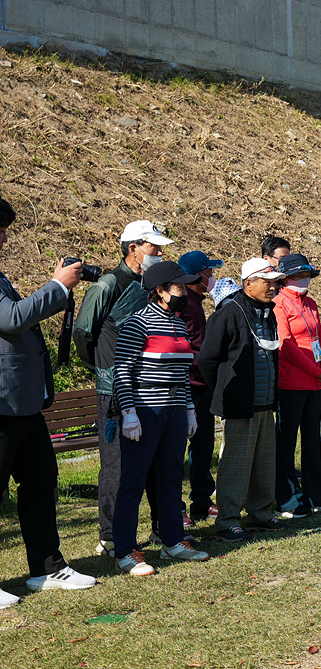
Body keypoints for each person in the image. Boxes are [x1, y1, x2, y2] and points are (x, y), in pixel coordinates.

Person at [0, 197, 95, 607]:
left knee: (40, 483)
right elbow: (12, 319)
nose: (4, 236)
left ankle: (46, 568)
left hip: (22, 403)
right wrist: (58, 286)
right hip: (2, 403)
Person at [73, 219, 171, 559]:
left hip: (150, 388)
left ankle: (163, 527)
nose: (160, 252)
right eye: (154, 247)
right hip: (115, 390)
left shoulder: (151, 284)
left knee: (156, 461)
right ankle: (111, 536)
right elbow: (83, 333)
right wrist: (106, 370)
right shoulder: (108, 285)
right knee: (115, 463)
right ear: (133, 248)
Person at [111, 261, 211, 576]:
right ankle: (125, 551)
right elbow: (122, 371)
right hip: (144, 410)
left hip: (175, 411)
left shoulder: (178, 324)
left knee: (170, 477)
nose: (185, 292)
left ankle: (173, 541)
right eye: (179, 287)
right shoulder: (136, 323)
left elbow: (182, 374)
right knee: (133, 481)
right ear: (161, 291)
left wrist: (189, 410)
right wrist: (128, 412)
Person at [198, 258, 285, 542]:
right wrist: (226, 389)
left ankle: (261, 514)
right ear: (249, 283)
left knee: (264, 463)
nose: (273, 287)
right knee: (235, 465)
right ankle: (228, 521)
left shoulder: (268, 312)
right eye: (268, 282)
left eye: (275, 283)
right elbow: (208, 360)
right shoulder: (227, 314)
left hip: (265, 402)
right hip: (239, 404)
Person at [274, 254, 321, 518]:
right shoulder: (279, 304)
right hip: (291, 382)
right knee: (286, 443)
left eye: (307, 276)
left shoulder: (310, 303)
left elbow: (319, 337)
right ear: (285, 278)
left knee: (313, 441)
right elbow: (286, 345)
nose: (304, 281)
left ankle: (317, 494)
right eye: (299, 276)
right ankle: (287, 497)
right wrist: (316, 372)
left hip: (315, 383)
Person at [176, 250, 223, 526]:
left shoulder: (198, 303)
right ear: (198, 276)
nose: (212, 277)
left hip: (203, 385)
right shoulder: (184, 305)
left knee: (203, 445)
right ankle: (177, 506)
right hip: (187, 386)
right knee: (177, 449)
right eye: (209, 272)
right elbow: (188, 349)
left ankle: (202, 501)